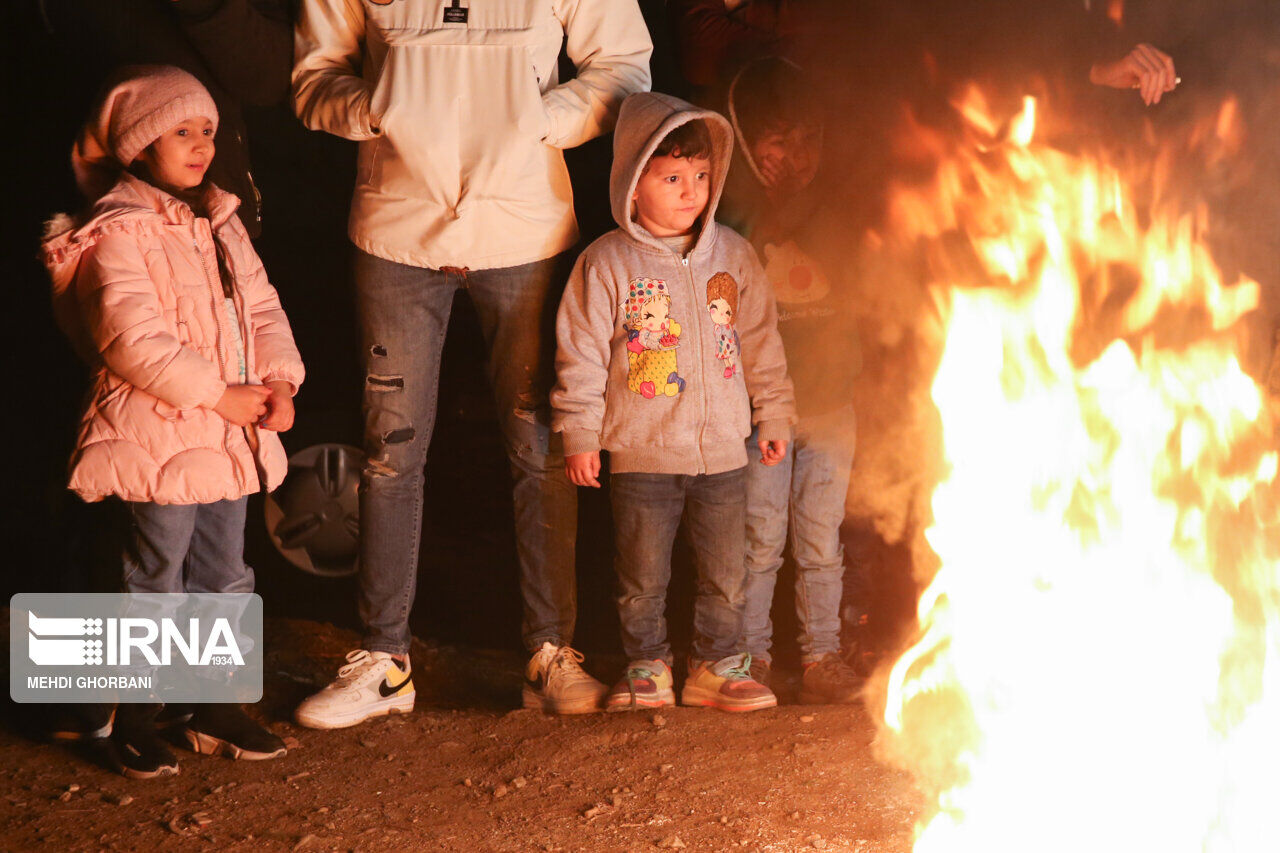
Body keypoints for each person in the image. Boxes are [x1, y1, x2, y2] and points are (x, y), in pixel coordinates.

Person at [290, 0, 653, 725]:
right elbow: (311, 80)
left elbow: (625, 67)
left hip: (525, 229)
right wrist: (380, 108)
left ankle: (551, 652)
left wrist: (541, 119)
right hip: (395, 230)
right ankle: (385, 660)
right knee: (390, 452)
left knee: (540, 445)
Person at [41, 65, 306, 777]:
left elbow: (262, 306)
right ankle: (132, 714)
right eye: (180, 131)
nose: (200, 145)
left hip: (226, 438)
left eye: (208, 131)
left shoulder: (219, 221)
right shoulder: (118, 229)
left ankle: (211, 705)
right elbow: (129, 337)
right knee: (151, 572)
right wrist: (217, 394)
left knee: (223, 570)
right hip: (158, 431)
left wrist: (279, 379)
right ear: (137, 145)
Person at [552, 91, 795, 712]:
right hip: (642, 452)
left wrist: (773, 414)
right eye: (671, 178)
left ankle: (716, 667)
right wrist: (580, 436)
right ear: (633, 185)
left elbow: (761, 342)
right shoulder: (606, 263)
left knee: (727, 574)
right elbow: (579, 355)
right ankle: (648, 666)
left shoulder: (733, 255)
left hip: (723, 454)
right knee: (642, 577)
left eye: (700, 176)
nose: (690, 191)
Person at [722, 57, 864, 704]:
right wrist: (767, 206)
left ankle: (821, 655)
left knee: (820, 543)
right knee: (758, 541)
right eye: (779, 141)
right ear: (748, 141)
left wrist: (800, 204)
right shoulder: (727, 213)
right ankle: (748, 657)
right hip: (759, 414)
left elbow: (858, 275)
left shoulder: (841, 207)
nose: (797, 156)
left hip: (832, 406)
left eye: (809, 139)